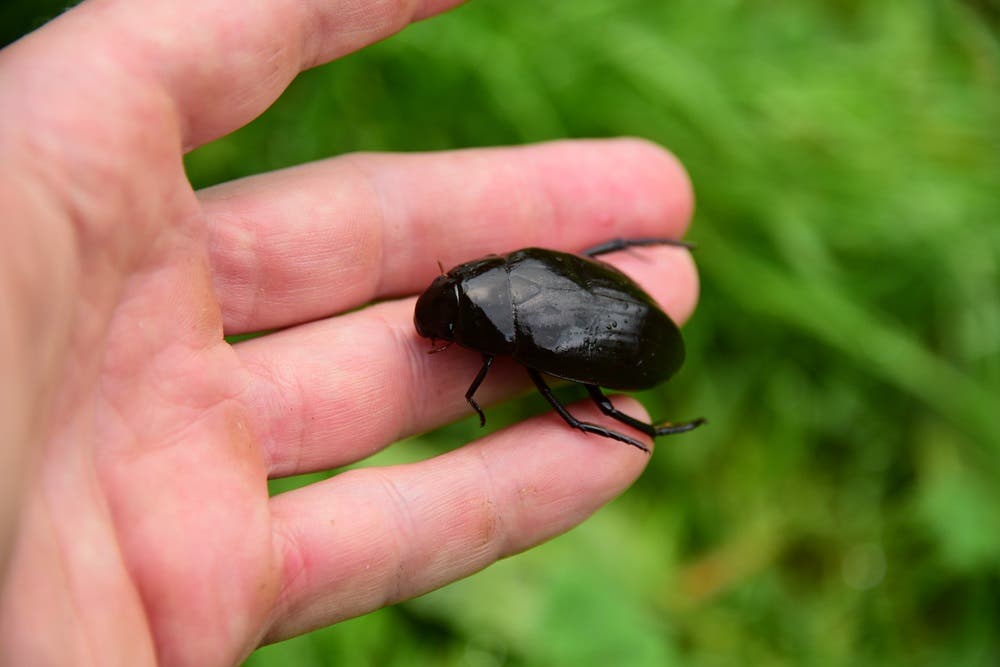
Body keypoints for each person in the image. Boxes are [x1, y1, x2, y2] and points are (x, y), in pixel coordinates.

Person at [0, 1, 699, 663]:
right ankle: (649, 421)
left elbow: (511, 340)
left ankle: (648, 425)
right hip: (613, 319)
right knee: (581, 408)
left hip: (631, 332)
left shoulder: (515, 324)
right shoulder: (516, 287)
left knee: (582, 409)